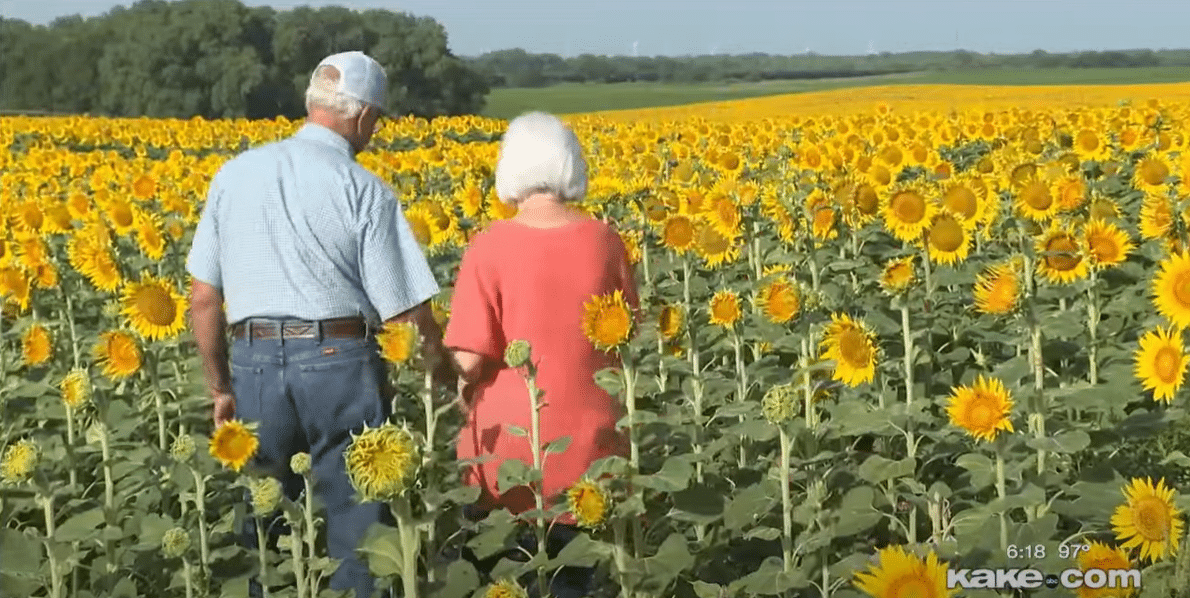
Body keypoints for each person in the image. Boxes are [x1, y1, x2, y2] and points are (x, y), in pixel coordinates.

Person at [186, 51, 453, 598]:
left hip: (254, 360)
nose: (374, 132)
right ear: (360, 117)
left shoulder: (232, 175)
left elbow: (204, 298)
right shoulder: (365, 189)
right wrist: (444, 374)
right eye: (376, 120)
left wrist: (220, 386)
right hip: (338, 362)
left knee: (266, 529)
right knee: (358, 526)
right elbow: (405, 311)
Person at [443, 111, 640, 597]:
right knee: (576, 578)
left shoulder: (488, 246)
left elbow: (468, 359)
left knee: (505, 579)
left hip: (508, 451)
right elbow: (628, 333)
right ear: (571, 164)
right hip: (591, 445)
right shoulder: (606, 241)